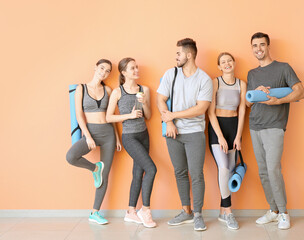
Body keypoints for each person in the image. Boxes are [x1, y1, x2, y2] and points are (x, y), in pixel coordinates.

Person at [246, 32, 304, 230]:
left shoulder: (283, 68)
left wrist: (278, 100)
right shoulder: (252, 74)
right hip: (255, 125)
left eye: (262, 45)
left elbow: (300, 91)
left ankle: (284, 213)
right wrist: (257, 92)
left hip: (274, 125)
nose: (258, 49)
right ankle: (273, 211)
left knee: (273, 169)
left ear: (268, 46)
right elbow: (248, 101)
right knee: (263, 172)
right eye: (255, 46)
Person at [157, 38, 213, 231]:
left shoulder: (204, 79)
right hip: (172, 133)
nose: (176, 57)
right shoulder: (170, 74)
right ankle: (186, 211)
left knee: (196, 174)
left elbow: (201, 108)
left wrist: (173, 115)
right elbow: (160, 99)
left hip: (194, 133)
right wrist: (170, 122)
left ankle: (198, 214)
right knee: (180, 172)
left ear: (189, 55)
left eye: (179, 53)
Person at [66, 59, 122, 225]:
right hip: (91, 132)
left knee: (104, 176)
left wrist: (117, 138)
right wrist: (88, 136)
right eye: (101, 68)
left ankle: (95, 212)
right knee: (71, 156)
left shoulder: (108, 89)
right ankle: (94, 168)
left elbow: (111, 116)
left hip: (108, 134)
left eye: (107, 71)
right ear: (95, 68)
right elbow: (79, 114)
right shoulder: (81, 89)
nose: (103, 72)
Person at [106, 57, 157, 228]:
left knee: (138, 173)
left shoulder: (144, 89)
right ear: (123, 72)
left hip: (144, 135)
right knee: (151, 169)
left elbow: (149, 116)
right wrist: (129, 115)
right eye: (132, 68)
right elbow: (108, 117)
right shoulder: (117, 92)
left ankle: (130, 212)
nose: (136, 70)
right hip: (130, 137)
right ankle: (146, 210)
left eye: (137, 67)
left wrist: (145, 104)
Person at [207, 52, 246, 230]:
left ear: (234, 62)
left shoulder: (241, 84)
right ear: (219, 66)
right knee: (223, 168)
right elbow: (210, 112)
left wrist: (238, 136)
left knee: (230, 170)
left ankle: (222, 211)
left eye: (229, 60)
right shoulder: (215, 82)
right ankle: (229, 212)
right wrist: (221, 136)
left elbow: (243, 111)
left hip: (234, 127)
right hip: (218, 128)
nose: (227, 64)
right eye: (223, 62)